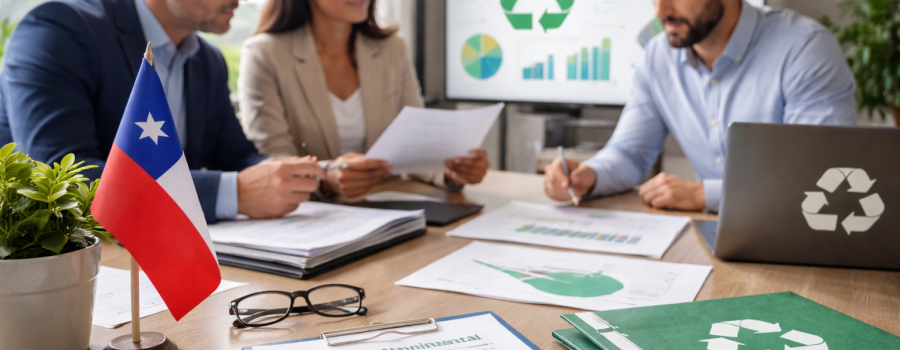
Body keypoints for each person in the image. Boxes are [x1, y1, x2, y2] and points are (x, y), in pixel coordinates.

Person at [0, 0, 325, 223]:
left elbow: (235, 157)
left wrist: (301, 174)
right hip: (69, 269)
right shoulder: (59, 30)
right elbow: (60, 176)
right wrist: (232, 194)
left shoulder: (207, 60)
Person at [544, 0, 856, 212]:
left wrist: (705, 194)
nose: (661, 11)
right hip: (711, 237)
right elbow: (630, 153)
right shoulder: (658, 55)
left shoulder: (805, 48)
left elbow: (820, 176)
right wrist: (590, 176)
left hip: (797, 237)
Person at [239, 0, 489, 198]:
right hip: (313, 218)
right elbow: (272, 158)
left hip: (391, 206)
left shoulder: (392, 49)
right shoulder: (264, 54)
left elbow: (415, 144)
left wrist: (450, 171)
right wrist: (327, 179)